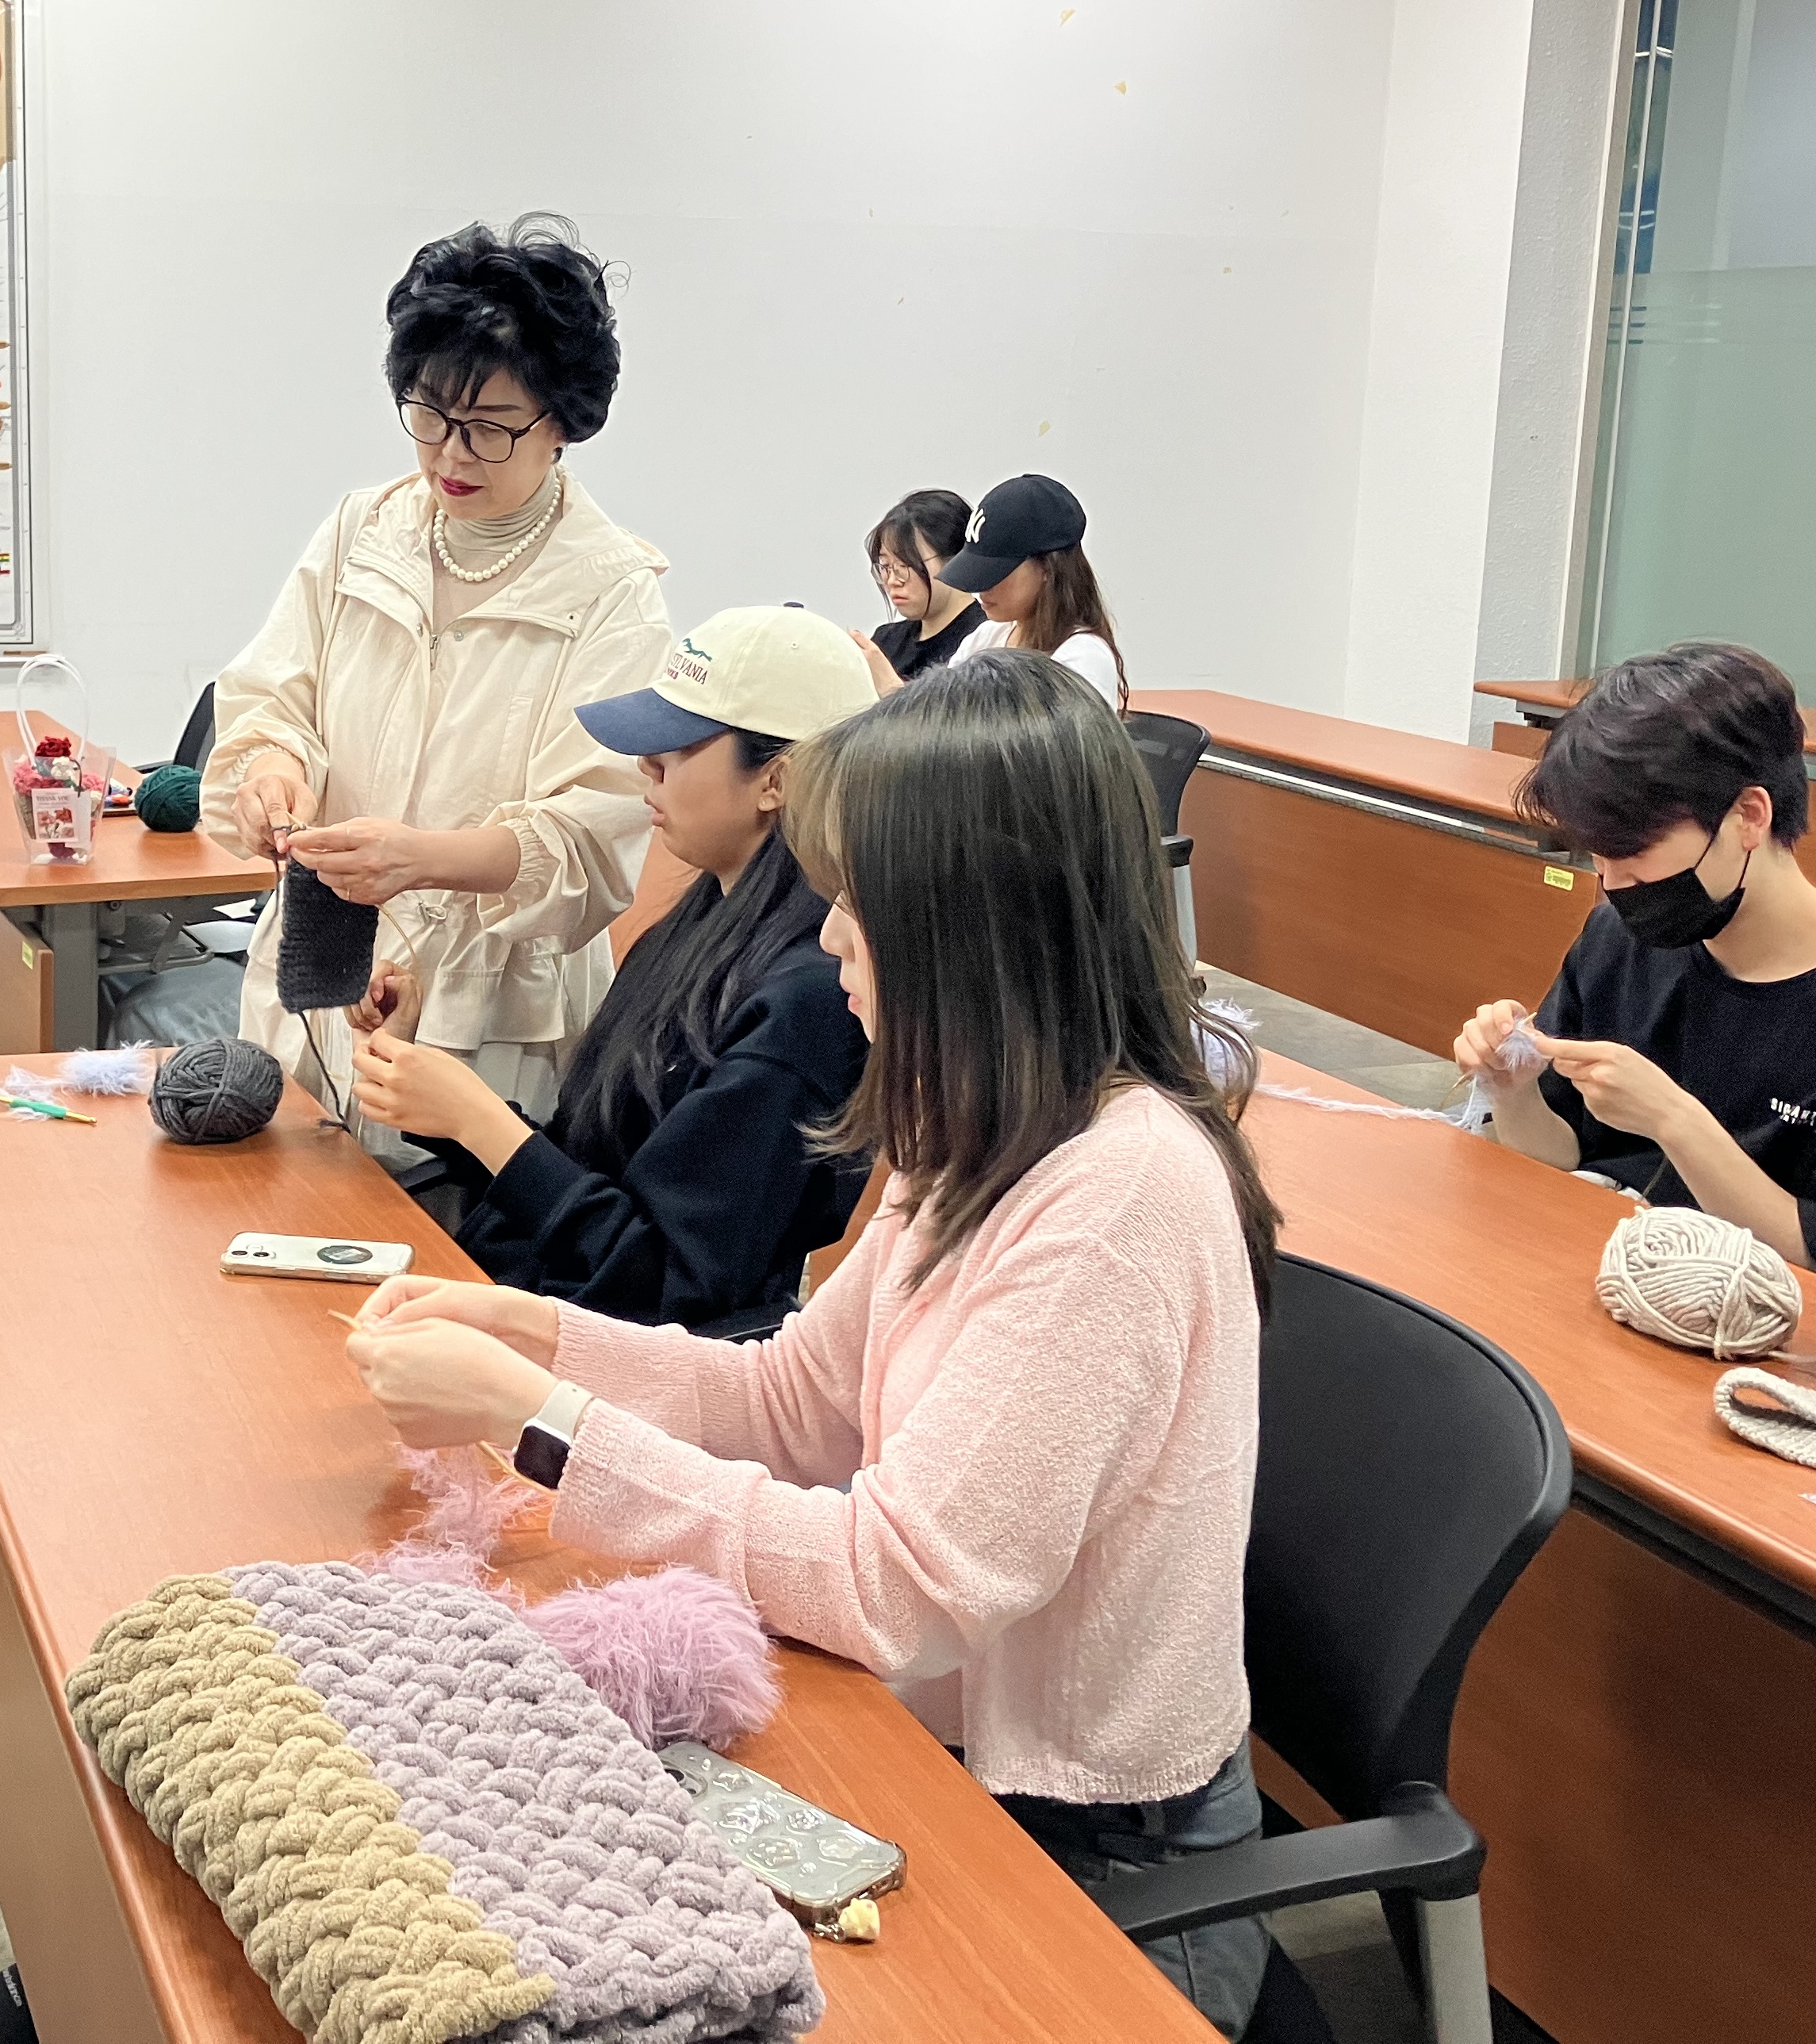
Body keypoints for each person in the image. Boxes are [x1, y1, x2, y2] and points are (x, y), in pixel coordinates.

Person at [343, 650, 1278, 2036]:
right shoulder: (978, 1123)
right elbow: (790, 1397)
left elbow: (895, 1586)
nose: (830, 939)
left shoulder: (1115, 1194)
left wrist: (536, 1417)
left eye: (859, 906)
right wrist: (532, 1334)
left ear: (973, 926)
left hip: (1093, 1856)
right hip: (950, 1754)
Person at [207, 216, 673, 1149]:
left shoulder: (611, 591)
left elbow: (590, 842)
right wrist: (271, 772)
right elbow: (272, 698)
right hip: (325, 956)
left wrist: (421, 858)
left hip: (490, 1007)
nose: (450, 455)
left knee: (440, 1223)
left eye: (490, 428)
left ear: (563, 424)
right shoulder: (362, 533)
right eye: (429, 414)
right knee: (292, 1199)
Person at [347, 604, 876, 1330]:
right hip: (536, 1309)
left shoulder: (810, 1001)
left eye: (676, 747)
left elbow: (665, 1284)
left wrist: (477, 1121)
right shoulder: (694, 935)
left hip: (607, 1361)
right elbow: (590, 1166)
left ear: (775, 781)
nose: (645, 768)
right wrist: (434, 1096)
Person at [1453, 642, 1816, 1268]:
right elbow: (1563, 1156)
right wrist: (1513, 1092)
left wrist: (1675, 1121)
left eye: (1634, 853)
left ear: (1749, 817)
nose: (1613, 884)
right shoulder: (1619, 941)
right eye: (1598, 855)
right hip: (1587, 1265)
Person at [884, 472, 1126, 708]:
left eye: (995, 572)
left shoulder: (1082, 658)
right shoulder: (986, 637)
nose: (981, 587)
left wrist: (892, 690)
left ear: (1048, 568)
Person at [856, 488, 982, 684]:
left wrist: (892, 689)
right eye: (885, 566)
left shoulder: (986, 639)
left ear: (954, 561)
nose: (892, 580)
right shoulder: (886, 641)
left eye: (905, 566)